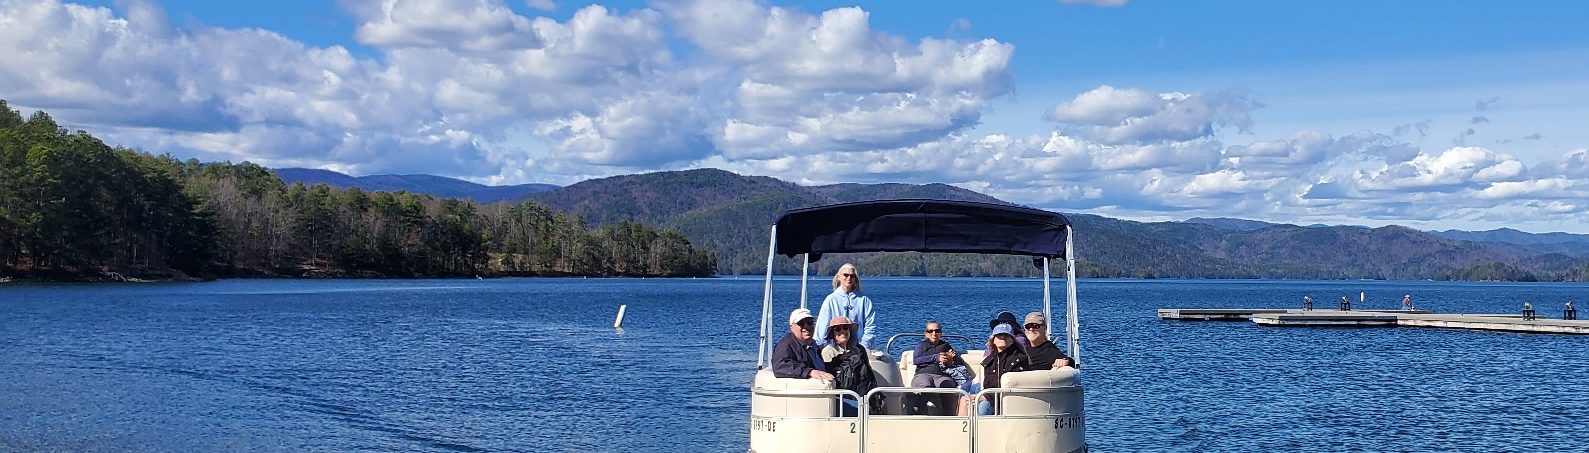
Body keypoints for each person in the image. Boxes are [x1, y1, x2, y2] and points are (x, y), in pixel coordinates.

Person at [961, 324, 1030, 416]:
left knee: (983, 408)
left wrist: (984, 397)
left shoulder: (1019, 359)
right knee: (965, 400)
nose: (1002, 337)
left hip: (1011, 400)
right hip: (992, 396)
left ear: (1012, 340)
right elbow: (987, 384)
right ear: (993, 340)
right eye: (999, 335)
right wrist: (980, 396)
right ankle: (965, 429)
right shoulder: (989, 361)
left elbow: (1014, 387)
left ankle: (982, 429)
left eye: (1006, 335)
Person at [821, 316, 878, 417]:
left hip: (862, 394)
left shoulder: (859, 350)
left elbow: (868, 375)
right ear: (832, 334)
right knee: (863, 410)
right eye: (838, 329)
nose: (842, 331)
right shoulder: (828, 352)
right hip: (841, 396)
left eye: (845, 328)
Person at [909, 320, 970, 415]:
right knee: (926, 387)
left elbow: (958, 362)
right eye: (930, 331)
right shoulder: (921, 345)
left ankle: (950, 417)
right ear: (926, 334)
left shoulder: (945, 346)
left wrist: (950, 360)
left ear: (940, 333)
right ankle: (916, 414)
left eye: (937, 331)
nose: (934, 334)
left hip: (941, 375)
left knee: (947, 386)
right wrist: (936, 357)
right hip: (923, 374)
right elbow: (916, 360)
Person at [814, 263, 876, 349]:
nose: (849, 278)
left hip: (858, 348)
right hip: (835, 349)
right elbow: (822, 326)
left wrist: (863, 347)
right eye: (846, 275)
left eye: (852, 276)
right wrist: (824, 349)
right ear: (839, 277)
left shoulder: (864, 300)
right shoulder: (831, 299)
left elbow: (870, 327)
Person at [772, 308, 834, 383]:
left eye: (809, 323)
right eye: (801, 323)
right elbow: (780, 366)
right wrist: (809, 372)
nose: (806, 327)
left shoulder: (813, 344)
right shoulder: (786, 345)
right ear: (791, 327)